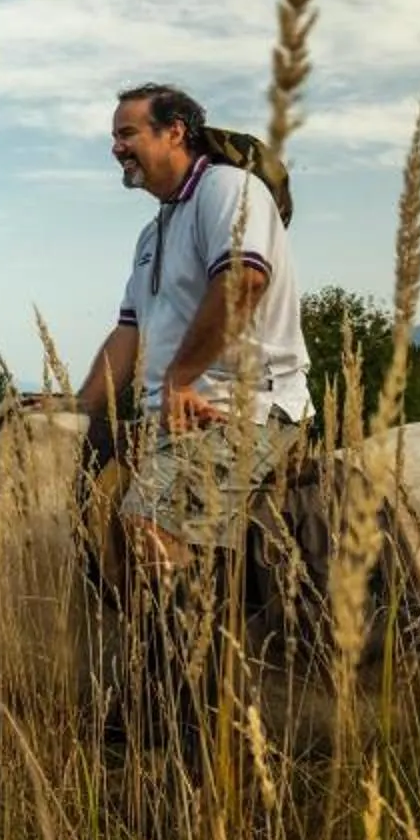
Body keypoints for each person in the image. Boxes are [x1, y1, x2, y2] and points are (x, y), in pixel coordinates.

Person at [74, 81, 310, 582]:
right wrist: (79, 408)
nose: (116, 147)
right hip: (177, 418)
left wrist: (180, 380)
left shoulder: (226, 189)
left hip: (242, 410)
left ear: (174, 132)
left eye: (127, 133)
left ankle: (195, 658)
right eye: (114, 136)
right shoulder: (153, 231)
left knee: (147, 524)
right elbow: (128, 335)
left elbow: (243, 281)